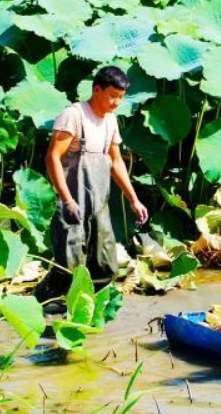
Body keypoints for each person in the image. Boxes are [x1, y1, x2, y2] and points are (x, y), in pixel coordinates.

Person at [35, 66, 149, 302]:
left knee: (104, 261)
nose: (117, 102)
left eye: (121, 98)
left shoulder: (110, 121)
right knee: (69, 262)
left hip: (98, 201)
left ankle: (91, 310)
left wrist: (134, 199)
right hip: (71, 199)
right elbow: (52, 158)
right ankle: (44, 299)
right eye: (112, 96)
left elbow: (116, 161)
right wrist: (66, 200)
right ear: (97, 89)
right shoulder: (74, 115)